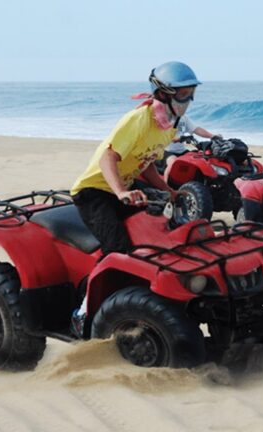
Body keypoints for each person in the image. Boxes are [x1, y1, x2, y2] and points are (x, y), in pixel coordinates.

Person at [68, 61, 201, 336]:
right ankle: (82, 312)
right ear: (163, 93)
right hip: (95, 191)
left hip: (122, 187)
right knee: (117, 248)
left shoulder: (168, 126)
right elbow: (108, 157)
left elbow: (145, 162)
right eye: (183, 93)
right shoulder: (138, 120)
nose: (188, 100)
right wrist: (121, 192)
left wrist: (168, 190)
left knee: (155, 237)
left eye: (191, 93)